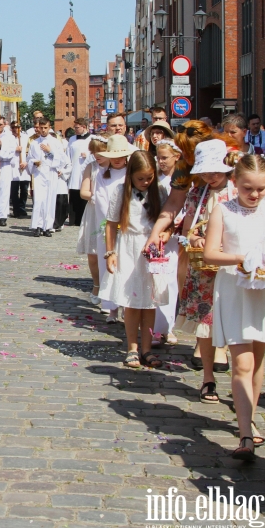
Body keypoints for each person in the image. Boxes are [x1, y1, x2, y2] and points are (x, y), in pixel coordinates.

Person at [203, 151, 265, 460]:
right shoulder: (223, 211)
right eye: (247, 188)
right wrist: (244, 259)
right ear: (235, 183)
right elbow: (211, 255)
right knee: (241, 363)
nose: (254, 194)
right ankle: (245, 434)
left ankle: (250, 417)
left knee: (257, 360)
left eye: (261, 188)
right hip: (235, 289)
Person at [173, 140, 237, 389]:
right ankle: (208, 375)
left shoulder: (236, 191)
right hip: (204, 265)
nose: (210, 176)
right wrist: (197, 239)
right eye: (206, 171)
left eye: (215, 170)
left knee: (229, 310)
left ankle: (224, 351)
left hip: (231, 264)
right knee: (207, 313)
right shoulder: (197, 194)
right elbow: (188, 229)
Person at [101, 151, 167, 368]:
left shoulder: (159, 191)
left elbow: (169, 222)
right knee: (131, 302)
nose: (146, 182)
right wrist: (111, 253)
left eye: (149, 178)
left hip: (151, 251)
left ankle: (147, 348)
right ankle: (132, 347)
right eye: (141, 178)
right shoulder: (121, 191)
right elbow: (111, 224)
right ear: (131, 176)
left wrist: (163, 236)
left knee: (149, 302)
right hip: (128, 248)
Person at [93, 134, 132, 322]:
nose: (117, 160)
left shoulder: (131, 173)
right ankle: (110, 306)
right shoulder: (102, 174)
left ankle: (126, 305)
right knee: (108, 265)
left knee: (126, 265)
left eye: (121, 155)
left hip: (127, 224)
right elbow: (100, 198)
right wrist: (111, 219)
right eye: (114, 156)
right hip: (108, 224)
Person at [153, 139, 182, 345]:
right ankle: (155, 327)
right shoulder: (155, 178)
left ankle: (168, 326)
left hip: (175, 235)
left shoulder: (182, 180)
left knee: (171, 281)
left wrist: (172, 228)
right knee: (156, 280)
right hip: (156, 233)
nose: (161, 161)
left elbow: (182, 207)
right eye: (159, 158)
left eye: (165, 158)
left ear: (176, 157)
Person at [77, 135, 109, 305]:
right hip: (94, 210)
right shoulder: (91, 166)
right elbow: (83, 192)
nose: (97, 155)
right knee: (93, 252)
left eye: (101, 152)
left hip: (111, 211)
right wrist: (97, 196)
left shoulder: (115, 166)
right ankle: (96, 284)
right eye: (94, 152)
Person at [27, 118, 67, 237]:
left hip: (51, 173)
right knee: (39, 200)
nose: (43, 130)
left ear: (49, 128)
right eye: (41, 128)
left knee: (50, 200)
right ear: (38, 128)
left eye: (46, 128)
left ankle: (48, 226)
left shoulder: (55, 142)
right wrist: (34, 162)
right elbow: (29, 158)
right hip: (39, 173)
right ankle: (37, 226)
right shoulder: (34, 143)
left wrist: (50, 152)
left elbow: (63, 160)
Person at [67, 118, 91, 226]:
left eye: (77, 128)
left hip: (86, 169)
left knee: (84, 194)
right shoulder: (72, 139)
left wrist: (88, 155)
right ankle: (74, 219)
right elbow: (68, 154)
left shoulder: (92, 139)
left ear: (84, 127)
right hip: (74, 169)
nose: (75, 130)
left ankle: (83, 219)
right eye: (74, 127)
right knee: (74, 195)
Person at [10, 121, 31, 219]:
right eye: (13, 127)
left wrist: (26, 162)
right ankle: (16, 209)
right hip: (13, 168)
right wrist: (15, 149)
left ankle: (22, 208)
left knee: (24, 190)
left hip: (24, 167)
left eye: (17, 127)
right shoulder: (8, 138)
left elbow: (30, 152)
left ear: (21, 128)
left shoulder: (26, 138)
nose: (15, 129)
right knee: (14, 190)